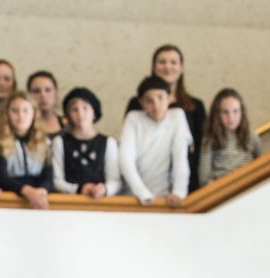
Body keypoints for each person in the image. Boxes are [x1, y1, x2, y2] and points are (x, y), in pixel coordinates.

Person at [124, 44, 206, 191]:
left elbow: (201, 146)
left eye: (173, 62)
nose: (167, 67)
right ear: (154, 67)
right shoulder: (136, 104)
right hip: (145, 179)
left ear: (182, 68)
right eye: (162, 62)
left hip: (185, 180)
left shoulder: (195, 105)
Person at [119, 76, 190, 206]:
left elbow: (180, 157)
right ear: (141, 102)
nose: (156, 105)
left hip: (165, 198)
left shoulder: (177, 116)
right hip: (133, 197)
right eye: (149, 100)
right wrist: (143, 193)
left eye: (160, 98)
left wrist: (179, 192)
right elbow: (125, 160)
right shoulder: (133, 119)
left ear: (170, 98)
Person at [0, 91, 52, 210]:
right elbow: (1, 177)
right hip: (10, 199)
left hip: (39, 198)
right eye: (15, 111)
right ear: (7, 113)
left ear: (34, 113)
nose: (21, 116)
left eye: (26, 110)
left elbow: (49, 175)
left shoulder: (44, 141)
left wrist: (41, 191)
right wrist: (27, 191)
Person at [52, 87, 121, 198]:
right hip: (69, 203)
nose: (80, 114)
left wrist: (105, 189)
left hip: (100, 202)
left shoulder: (108, 143)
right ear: (68, 115)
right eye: (75, 109)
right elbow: (56, 180)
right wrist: (78, 189)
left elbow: (115, 180)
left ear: (94, 112)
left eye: (85, 108)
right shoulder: (59, 142)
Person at [198, 88, 263, 186]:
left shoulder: (251, 136)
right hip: (223, 189)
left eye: (235, 111)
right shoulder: (209, 140)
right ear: (217, 114)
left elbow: (262, 163)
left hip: (249, 186)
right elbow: (203, 179)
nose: (231, 117)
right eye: (225, 112)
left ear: (242, 112)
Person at [25, 71, 64, 135]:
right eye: (36, 91)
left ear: (56, 92)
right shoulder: (23, 126)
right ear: (29, 95)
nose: (43, 95)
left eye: (48, 90)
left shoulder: (68, 125)